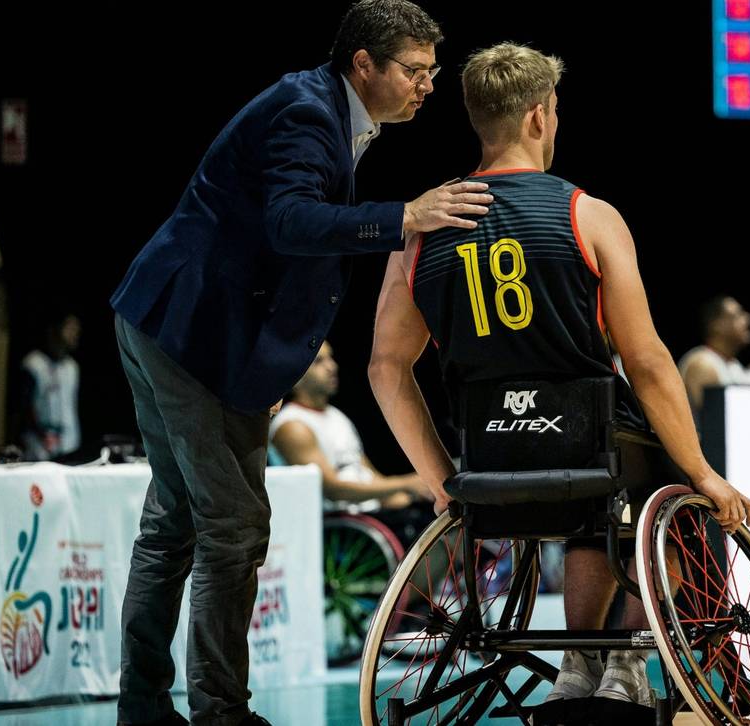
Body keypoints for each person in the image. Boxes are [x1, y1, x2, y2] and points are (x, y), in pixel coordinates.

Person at [107, 3, 492, 724]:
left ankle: (144, 707)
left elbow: (271, 241)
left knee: (175, 522)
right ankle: (218, 712)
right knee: (233, 526)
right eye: (415, 71)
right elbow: (290, 223)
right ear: (363, 65)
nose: (428, 86)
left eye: (433, 72)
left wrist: (272, 366)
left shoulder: (330, 110)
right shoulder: (307, 112)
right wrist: (405, 216)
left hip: (181, 323)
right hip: (192, 332)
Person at [366, 42, 750, 709]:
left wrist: (442, 481)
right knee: (668, 488)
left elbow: (385, 368)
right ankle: (620, 664)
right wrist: (703, 472)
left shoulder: (424, 227)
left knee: (590, 502)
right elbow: (647, 361)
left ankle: (579, 665)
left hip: (490, 452)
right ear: (539, 116)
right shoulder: (588, 215)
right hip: (586, 442)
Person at [270, 340, 426, 507]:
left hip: (366, 513)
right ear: (295, 375)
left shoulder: (337, 417)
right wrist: (407, 483)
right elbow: (332, 490)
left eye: (330, 358)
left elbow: (369, 477)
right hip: (334, 520)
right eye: (318, 361)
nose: (332, 366)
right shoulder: (292, 425)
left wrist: (414, 495)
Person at [18, 310, 82, 461]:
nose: (75, 334)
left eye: (77, 330)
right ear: (55, 329)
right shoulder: (34, 364)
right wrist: (41, 434)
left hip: (69, 443)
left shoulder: (72, 367)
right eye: (70, 328)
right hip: (40, 444)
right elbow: (24, 407)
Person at [677, 295, 750, 411]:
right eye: (737, 315)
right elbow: (712, 418)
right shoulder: (703, 364)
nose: (747, 319)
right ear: (716, 325)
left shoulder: (734, 365)